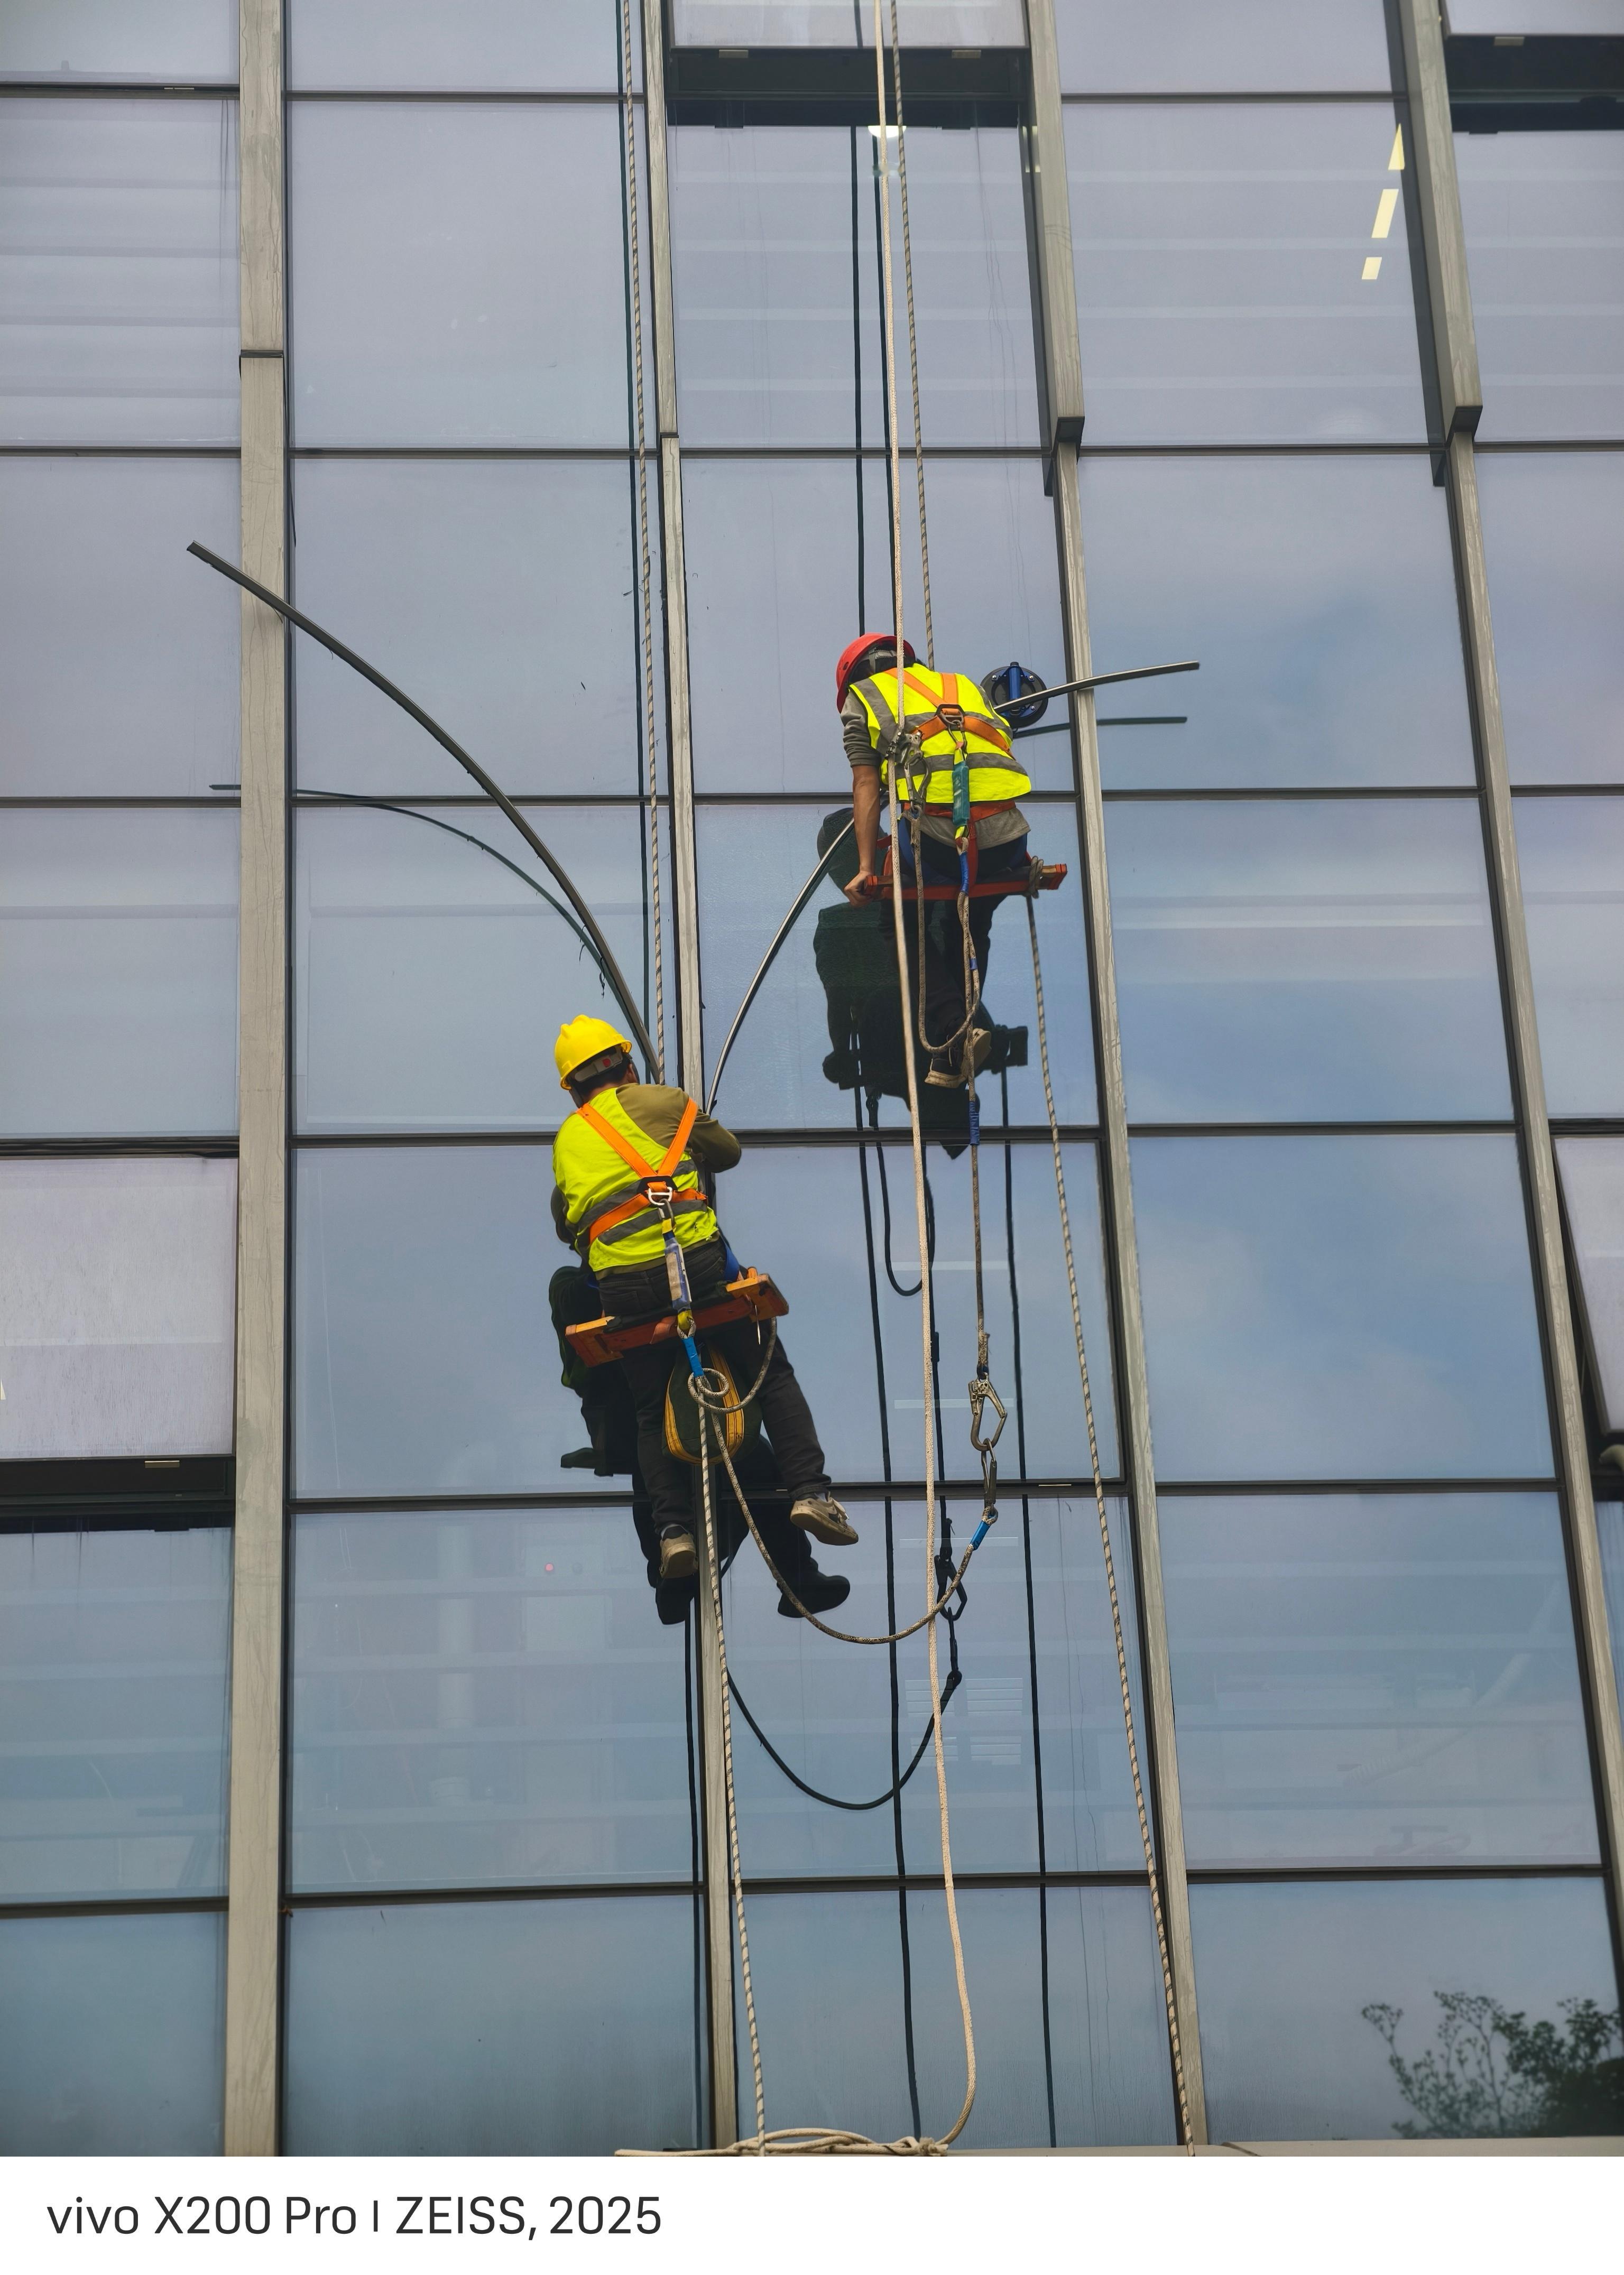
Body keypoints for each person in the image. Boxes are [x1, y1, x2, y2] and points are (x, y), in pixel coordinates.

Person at [549, 1016, 859, 1595]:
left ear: (573, 1088)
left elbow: (567, 1223)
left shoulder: (567, 1139)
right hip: (694, 1267)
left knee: (649, 1409)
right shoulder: (663, 1101)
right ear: (626, 1063)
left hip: (622, 1288)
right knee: (773, 1374)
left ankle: (673, 1532)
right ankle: (811, 1494)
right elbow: (728, 1152)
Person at [836, 633, 1032, 1086]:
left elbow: (866, 785)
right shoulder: (962, 685)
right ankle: (962, 1033)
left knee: (899, 921)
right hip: (1009, 839)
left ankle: (952, 1030)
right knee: (972, 917)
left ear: (852, 676)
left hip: (939, 838)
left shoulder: (864, 697)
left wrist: (866, 869)